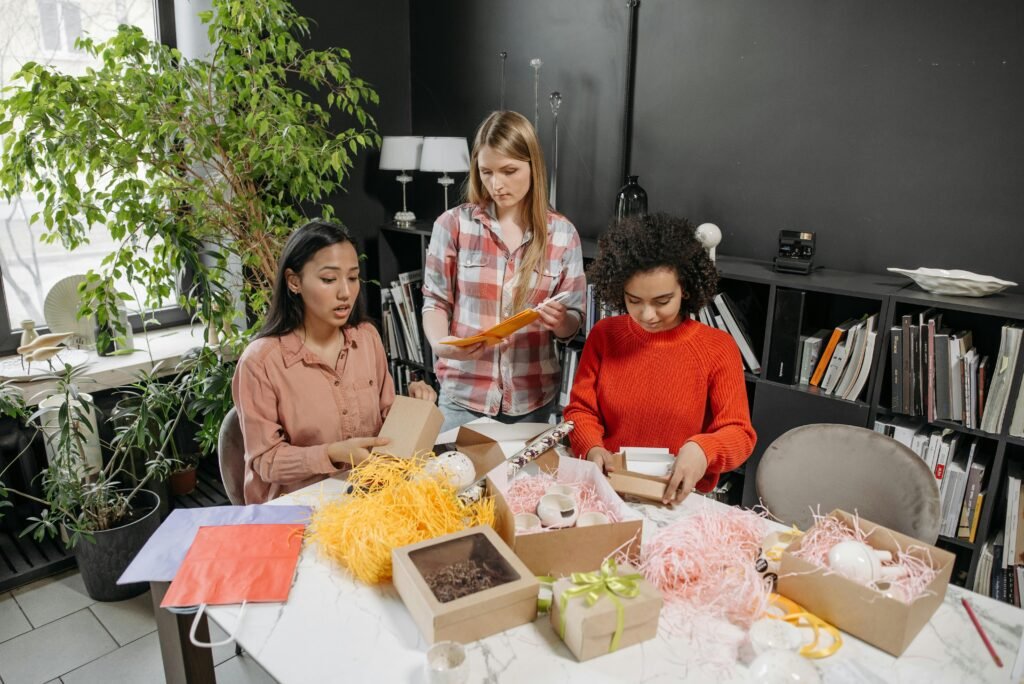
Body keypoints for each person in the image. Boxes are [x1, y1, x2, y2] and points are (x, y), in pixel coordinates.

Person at [232, 220, 437, 504]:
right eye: (329, 280)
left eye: (352, 278)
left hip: (369, 492)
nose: (345, 292)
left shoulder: (367, 338)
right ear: (294, 282)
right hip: (300, 507)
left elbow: (386, 423)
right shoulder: (260, 363)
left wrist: (414, 408)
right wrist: (331, 454)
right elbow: (265, 461)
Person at [563, 213, 756, 504]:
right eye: (634, 301)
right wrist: (591, 447)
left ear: (686, 290)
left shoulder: (718, 347)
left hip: (678, 498)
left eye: (662, 301)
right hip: (609, 491)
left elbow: (739, 433)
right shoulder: (604, 335)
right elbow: (581, 411)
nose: (648, 315)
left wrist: (704, 450)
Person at [421, 110, 586, 432]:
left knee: (523, 485)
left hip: (533, 401)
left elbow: (573, 322)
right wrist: (440, 343)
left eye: (509, 171)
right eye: (487, 172)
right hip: (462, 396)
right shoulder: (453, 225)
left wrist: (562, 321)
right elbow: (435, 301)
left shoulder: (563, 234)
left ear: (533, 166)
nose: (497, 184)